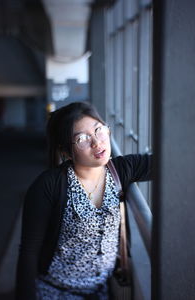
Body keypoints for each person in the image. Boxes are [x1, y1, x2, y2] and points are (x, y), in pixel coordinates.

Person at [15, 101, 152, 300]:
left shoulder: (120, 170)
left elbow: (166, 161)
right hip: (54, 292)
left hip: (101, 291)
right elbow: (28, 252)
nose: (97, 143)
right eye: (82, 139)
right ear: (65, 151)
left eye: (99, 130)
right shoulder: (48, 186)